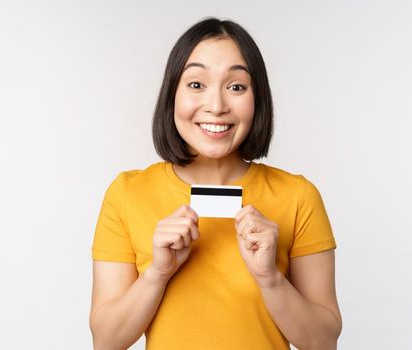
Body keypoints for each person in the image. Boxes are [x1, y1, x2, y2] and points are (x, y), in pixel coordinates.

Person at [89, 17, 342, 349]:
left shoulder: (298, 196)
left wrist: (270, 279)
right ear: (172, 95)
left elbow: (323, 342)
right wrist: (157, 274)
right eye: (196, 84)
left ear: (257, 99)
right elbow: (106, 341)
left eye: (236, 86)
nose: (217, 106)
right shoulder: (127, 193)